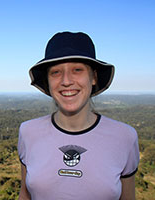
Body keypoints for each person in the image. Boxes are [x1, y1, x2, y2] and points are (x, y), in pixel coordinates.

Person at [18, 32, 140, 200]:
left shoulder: (125, 137)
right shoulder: (28, 132)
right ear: (48, 81)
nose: (66, 81)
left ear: (94, 77)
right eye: (56, 72)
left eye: (77, 70)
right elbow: (25, 195)